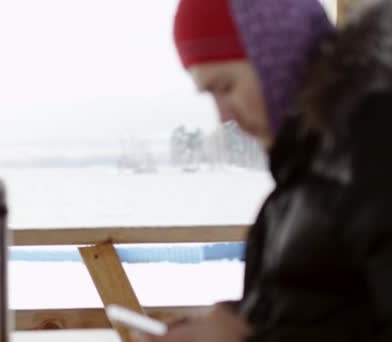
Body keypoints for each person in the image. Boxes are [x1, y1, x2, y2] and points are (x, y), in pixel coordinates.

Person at [135, 0, 392, 341]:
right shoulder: (307, 169)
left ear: (277, 57)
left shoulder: (375, 142)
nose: (224, 117)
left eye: (226, 87)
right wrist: (238, 318)